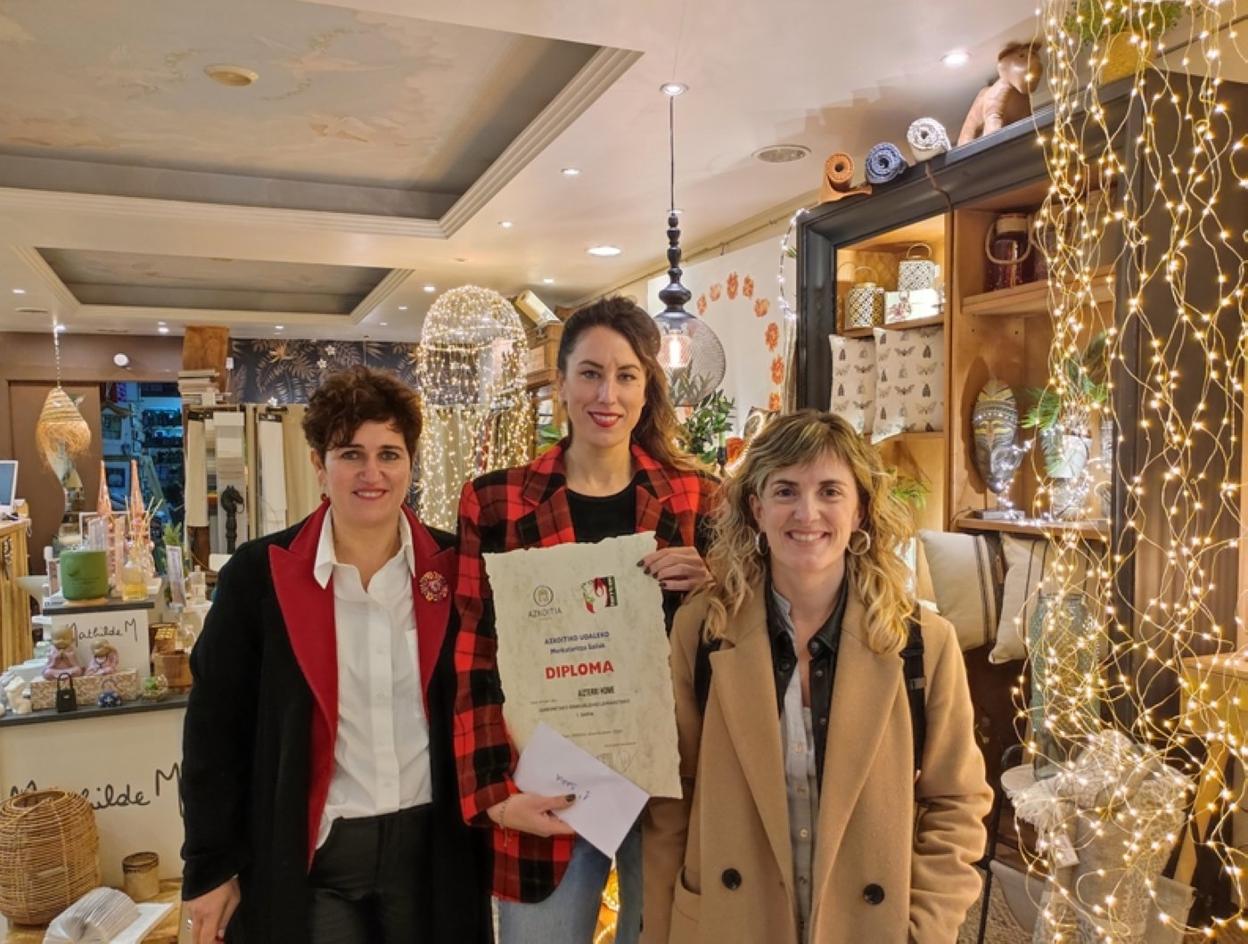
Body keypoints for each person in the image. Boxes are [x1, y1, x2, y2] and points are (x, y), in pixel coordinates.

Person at [643, 410, 992, 944]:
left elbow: (957, 803)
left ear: (860, 511)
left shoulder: (923, 643)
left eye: (830, 491)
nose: (807, 513)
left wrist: (924, 928)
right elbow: (672, 804)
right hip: (729, 924)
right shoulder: (702, 631)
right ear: (756, 509)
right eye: (785, 491)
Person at [180, 366, 490, 944]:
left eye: (390, 454)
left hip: (432, 852)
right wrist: (211, 863)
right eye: (352, 453)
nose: (372, 473)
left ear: (411, 464)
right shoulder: (259, 575)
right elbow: (213, 731)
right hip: (315, 858)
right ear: (320, 466)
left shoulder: (458, 568)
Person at [453, 296, 719, 944]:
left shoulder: (698, 497)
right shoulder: (497, 500)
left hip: (669, 787)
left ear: (647, 386)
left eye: (626, 375)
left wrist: (718, 587)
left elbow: (736, 651)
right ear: (562, 383)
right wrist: (494, 795)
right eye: (591, 373)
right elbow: (472, 659)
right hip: (549, 788)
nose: (608, 394)